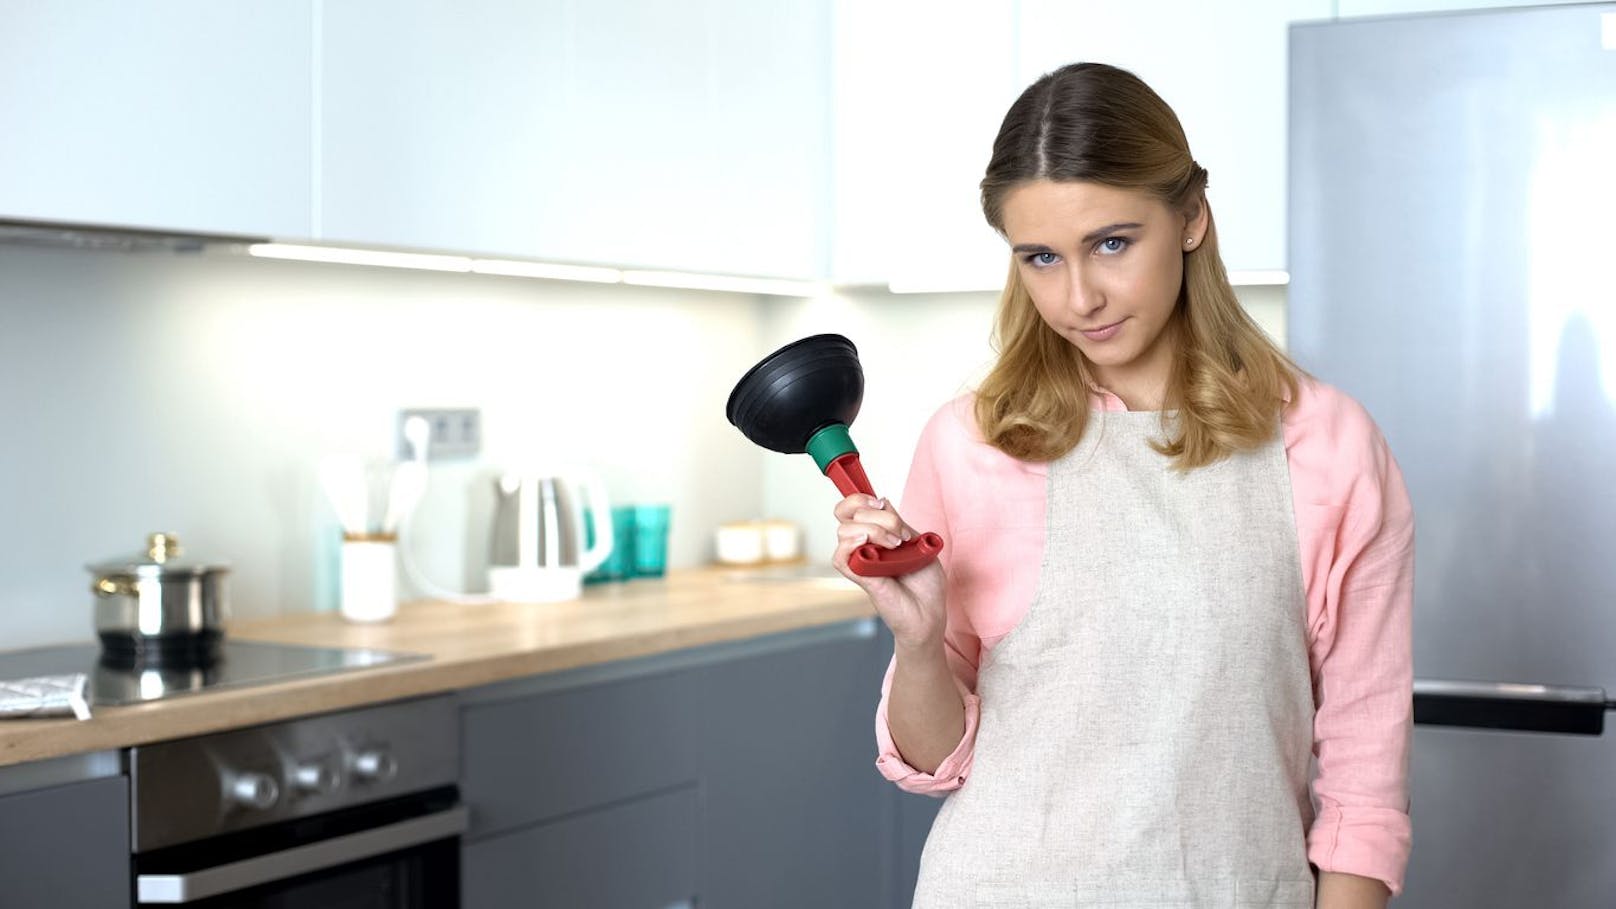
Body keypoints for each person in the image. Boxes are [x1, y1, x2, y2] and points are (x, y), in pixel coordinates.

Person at [832, 63, 1413, 909]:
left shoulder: (1327, 444)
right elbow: (931, 761)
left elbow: (1365, 780)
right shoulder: (970, 442)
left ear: (1189, 217)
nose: (1079, 297)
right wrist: (919, 644)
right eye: (1040, 257)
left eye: (1112, 242)